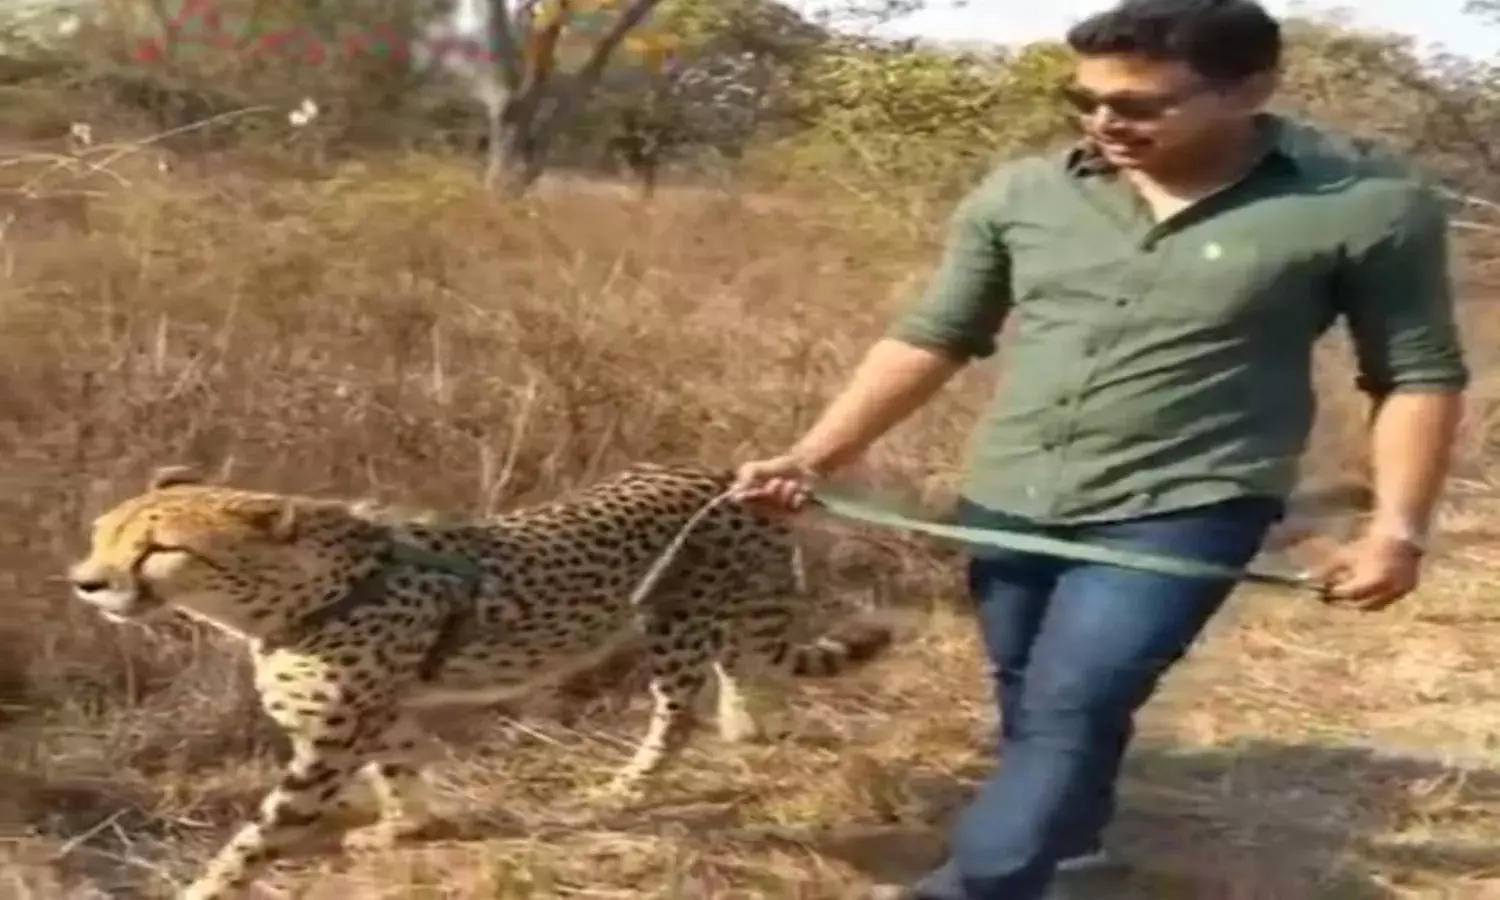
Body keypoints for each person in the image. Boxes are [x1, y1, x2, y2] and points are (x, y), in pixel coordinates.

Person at [729, 1, 1470, 898]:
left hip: (1191, 503)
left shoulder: (1365, 206)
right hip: (1014, 494)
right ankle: (1069, 856)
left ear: (1252, 90)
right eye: (1080, 100)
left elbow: (1415, 374)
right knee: (1029, 690)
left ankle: (977, 884)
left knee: (1076, 700)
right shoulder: (1024, 194)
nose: (1104, 121)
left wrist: (1398, 528)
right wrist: (813, 457)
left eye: (1143, 104)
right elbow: (934, 336)